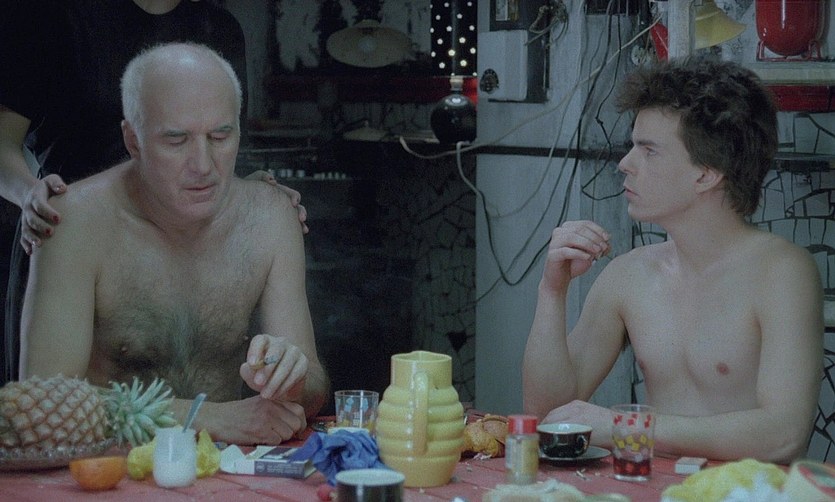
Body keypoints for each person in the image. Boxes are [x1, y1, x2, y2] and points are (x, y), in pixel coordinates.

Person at [19, 42, 328, 444]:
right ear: (133, 140)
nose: (203, 165)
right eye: (176, 140)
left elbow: (314, 391)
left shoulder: (270, 216)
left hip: (224, 467)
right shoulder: (74, 221)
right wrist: (207, 418)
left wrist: (292, 378)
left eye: (220, 136)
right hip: (106, 467)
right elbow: (42, 402)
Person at [523, 57, 823, 464]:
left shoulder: (782, 272)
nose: (625, 163)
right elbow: (548, 415)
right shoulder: (629, 274)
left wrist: (629, 428)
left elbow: (783, 435)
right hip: (651, 488)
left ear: (706, 174)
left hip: (746, 490)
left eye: (648, 151)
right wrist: (552, 290)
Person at [0, 0, 307, 385]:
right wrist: (33, 196)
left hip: (179, 244)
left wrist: (249, 194)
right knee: (55, 401)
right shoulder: (50, 17)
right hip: (73, 237)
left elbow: (213, 134)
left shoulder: (217, 27)